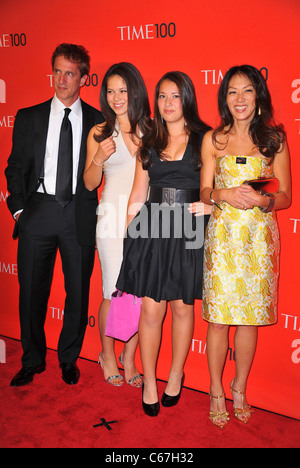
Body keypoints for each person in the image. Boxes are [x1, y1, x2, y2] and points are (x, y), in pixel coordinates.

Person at [5, 43, 104, 387]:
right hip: (38, 212)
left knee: (77, 291)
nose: (61, 80)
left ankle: (68, 358)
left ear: (83, 79)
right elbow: (15, 167)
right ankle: (32, 359)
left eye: (70, 73)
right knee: (31, 291)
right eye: (57, 71)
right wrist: (19, 210)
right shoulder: (29, 116)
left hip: (79, 211)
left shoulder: (97, 120)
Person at [199, 65, 292, 429]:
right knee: (220, 320)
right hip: (222, 239)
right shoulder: (214, 139)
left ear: (258, 97)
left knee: (249, 319)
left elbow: (284, 195)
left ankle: (239, 387)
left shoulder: (275, 140)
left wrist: (262, 201)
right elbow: (204, 193)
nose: (239, 99)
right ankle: (215, 390)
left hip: (258, 241)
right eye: (232, 92)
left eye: (247, 91)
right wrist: (221, 194)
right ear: (224, 98)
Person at [116, 71, 211, 416]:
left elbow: (215, 186)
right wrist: (129, 239)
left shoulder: (206, 139)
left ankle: (176, 374)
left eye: (174, 96)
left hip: (189, 229)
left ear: (186, 98)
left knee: (183, 307)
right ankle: (151, 380)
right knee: (152, 309)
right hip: (152, 227)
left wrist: (212, 205)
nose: (167, 103)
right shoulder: (150, 141)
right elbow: (138, 194)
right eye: (161, 97)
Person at [84, 63, 151, 387]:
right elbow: (87, 183)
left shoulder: (151, 130)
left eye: (123, 89)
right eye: (110, 90)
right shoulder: (98, 132)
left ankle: (129, 356)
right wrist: (98, 158)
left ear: (135, 90)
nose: (116, 97)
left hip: (146, 219)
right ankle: (107, 354)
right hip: (111, 216)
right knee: (113, 288)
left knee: (138, 293)